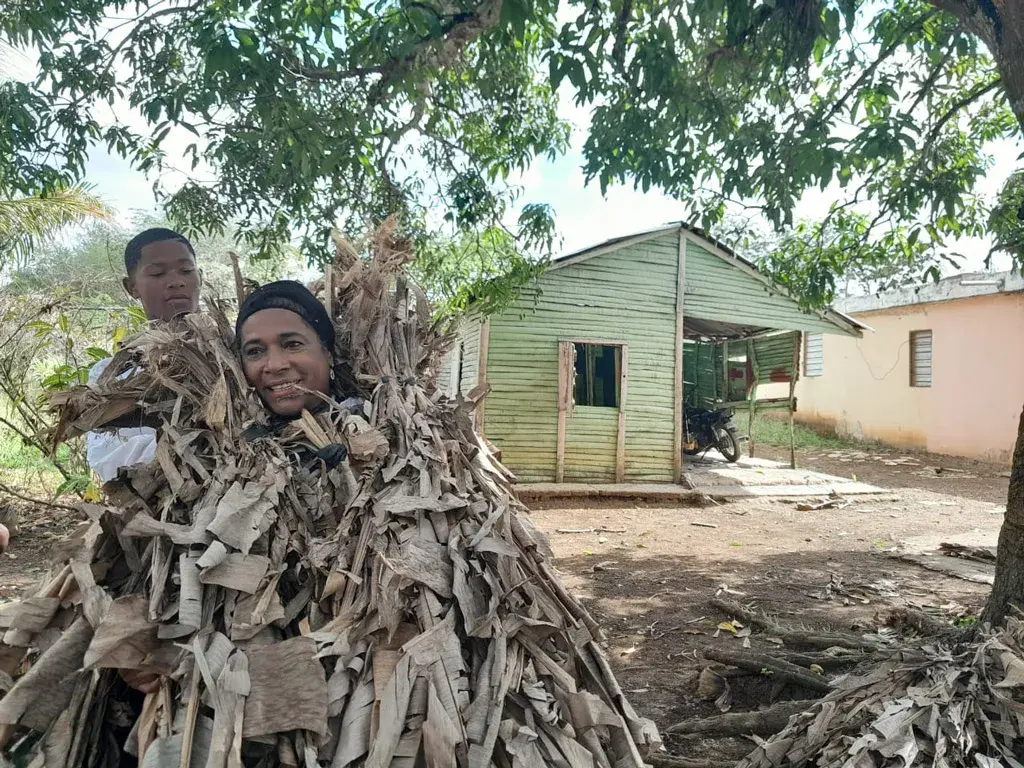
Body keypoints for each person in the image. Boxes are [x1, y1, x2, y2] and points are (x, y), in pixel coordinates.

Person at [86, 228, 202, 483]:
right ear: (131, 287)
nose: (176, 281)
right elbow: (107, 460)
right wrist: (196, 446)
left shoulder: (237, 353)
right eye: (158, 273)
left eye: (186, 271)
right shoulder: (112, 375)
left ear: (199, 276)